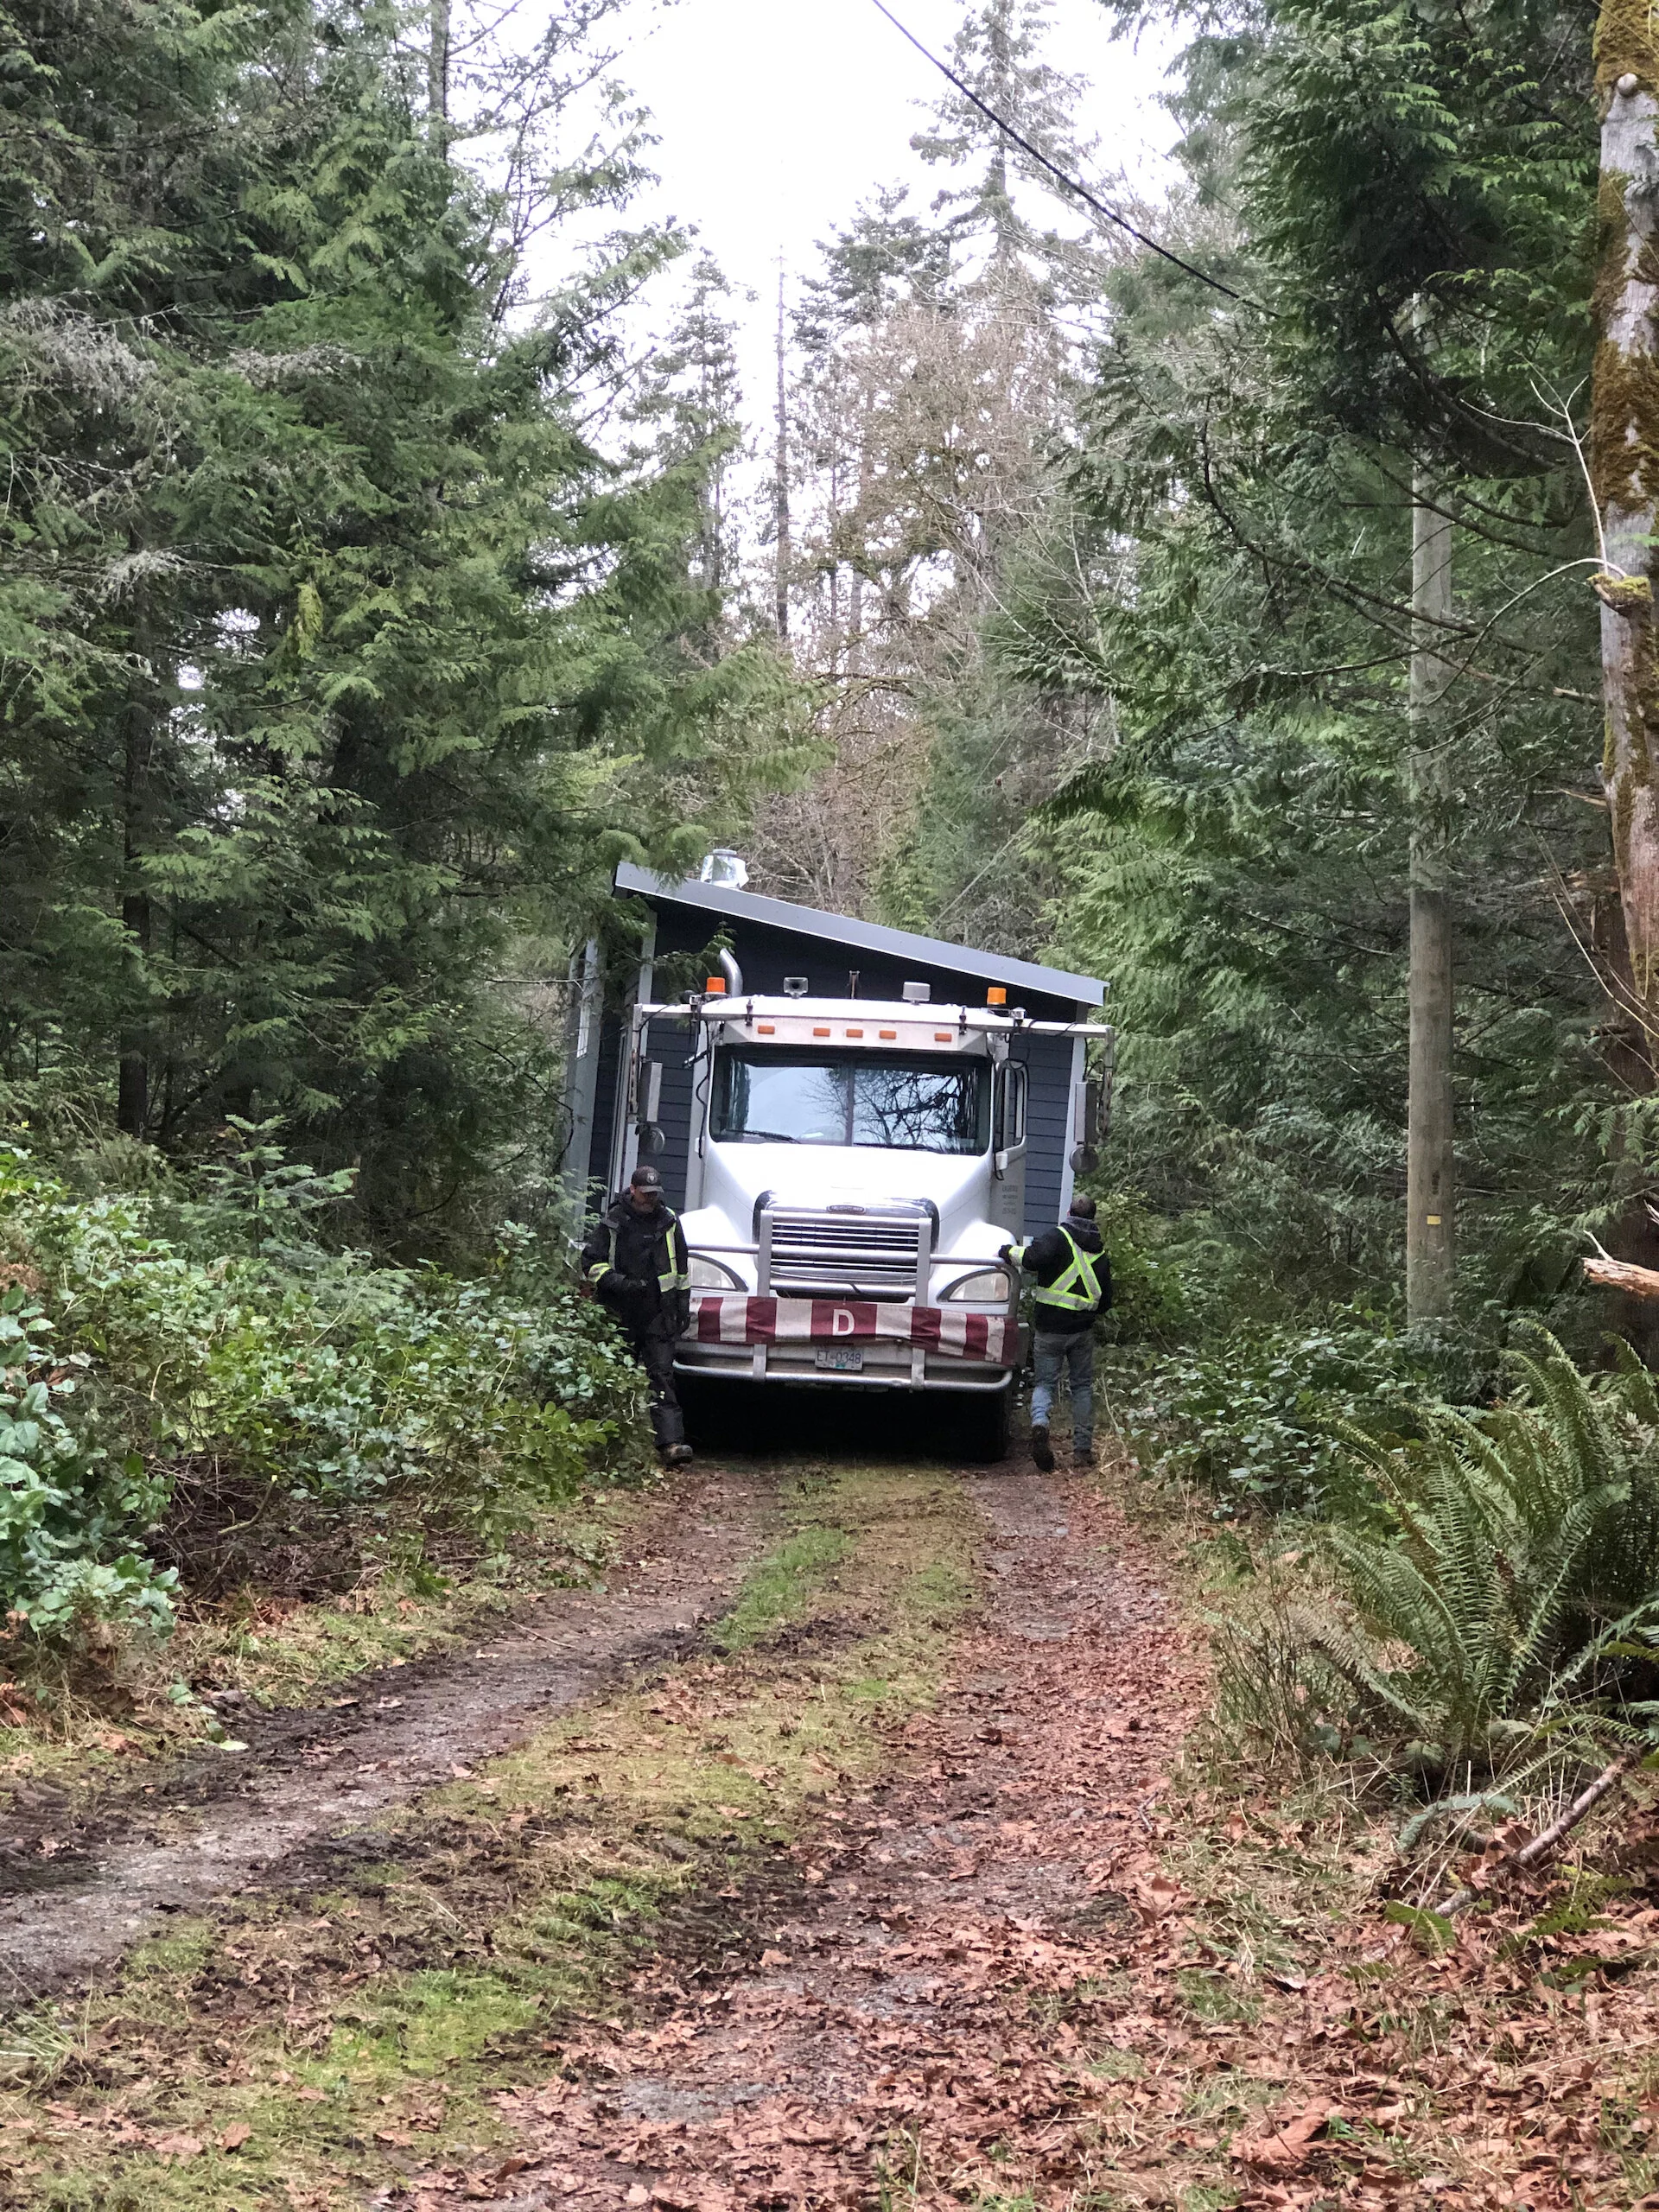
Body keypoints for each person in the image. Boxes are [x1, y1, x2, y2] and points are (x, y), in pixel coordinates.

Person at [582, 1163, 694, 1466]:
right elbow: (591, 1263)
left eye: (654, 1194)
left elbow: (681, 1269)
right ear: (632, 1190)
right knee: (614, 1377)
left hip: (659, 1313)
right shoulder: (614, 1220)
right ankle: (609, 1445)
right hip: (619, 1312)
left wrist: (682, 1308)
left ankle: (671, 1445)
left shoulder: (669, 1222)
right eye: (645, 1194)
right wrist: (621, 1284)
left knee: (662, 1377)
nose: (650, 1199)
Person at [1000, 1192, 1110, 1472]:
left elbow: (1032, 1259)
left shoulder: (1057, 1237)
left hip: (1049, 1329)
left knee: (1045, 1384)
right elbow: (1106, 1300)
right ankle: (1082, 1452)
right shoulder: (1099, 1250)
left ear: (1069, 1212)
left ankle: (1039, 1424)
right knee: (1082, 1387)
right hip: (1082, 1332)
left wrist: (1007, 1252)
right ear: (1092, 1217)